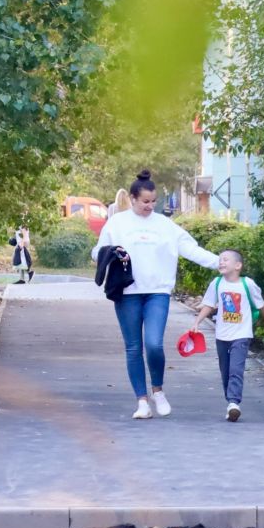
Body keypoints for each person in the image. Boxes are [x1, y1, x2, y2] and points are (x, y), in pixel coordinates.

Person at [92, 169, 219, 419]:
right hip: (127, 292)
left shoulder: (164, 225)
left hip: (157, 293)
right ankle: (141, 401)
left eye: (153, 201)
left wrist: (220, 262)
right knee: (133, 347)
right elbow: (96, 252)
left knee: (153, 343)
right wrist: (111, 253)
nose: (150, 206)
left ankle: (158, 391)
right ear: (132, 199)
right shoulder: (117, 223)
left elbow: (191, 249)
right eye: (145, 202)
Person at [191, 249, 264, 422]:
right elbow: (208, 304)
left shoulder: (247, 284)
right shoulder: (216, 283)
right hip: (222, 334)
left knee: (236, 369)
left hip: (241, 334)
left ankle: (234, 403)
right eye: (220, 260)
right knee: (225, 371)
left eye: (226, 260)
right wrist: (197, 322)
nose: (221, 262)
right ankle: (230, 401)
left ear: (238, 265)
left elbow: (260, 305)